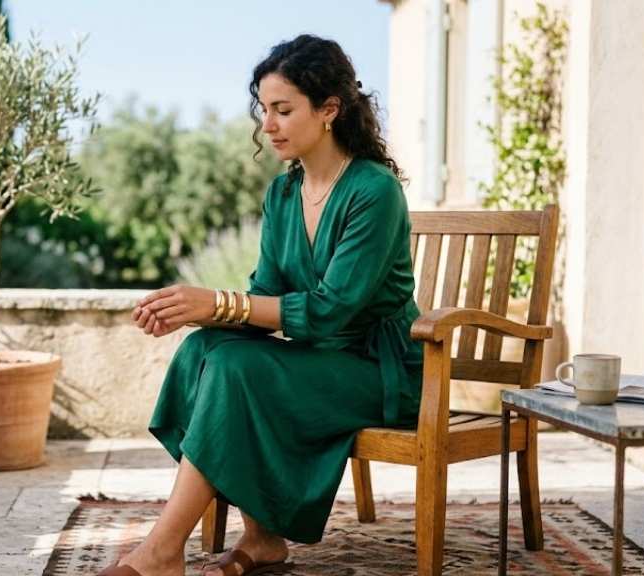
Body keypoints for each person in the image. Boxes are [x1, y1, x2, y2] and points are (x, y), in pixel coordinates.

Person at [99, 34, 424, 576]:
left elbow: (330, 311)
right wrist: (196, 312)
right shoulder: (283, 192)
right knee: (208, 350)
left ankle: (162, 551)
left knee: (236, 367)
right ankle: (263, 542)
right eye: (264, 110)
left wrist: (220, 301)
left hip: (379, 372)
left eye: (282, 110)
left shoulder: (374, 191)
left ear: (329, 110)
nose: (267, 125)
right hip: (318, 361)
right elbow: (267, 290)